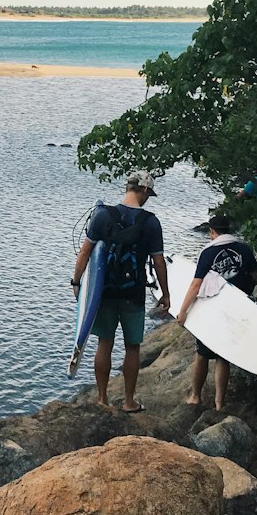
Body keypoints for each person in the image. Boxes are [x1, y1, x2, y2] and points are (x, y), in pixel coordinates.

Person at [72, 170, 169, 413]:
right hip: (133, 292)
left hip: (104, 291)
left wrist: (77, 283)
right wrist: (165, 293)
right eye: (149, 194)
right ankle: (128, 402)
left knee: (104, 342)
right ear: (144, 190)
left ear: (128, 187)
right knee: (132, 346)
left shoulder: (103, 215)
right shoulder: (150, 222)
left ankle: (102, 400)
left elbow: (85, 253)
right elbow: (158, 262)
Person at [176, 214, 257, 413]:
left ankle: (195, 396)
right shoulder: (244, 249)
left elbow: (196, 284)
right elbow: (255, 276)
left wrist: (183, 310)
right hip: (236, 308)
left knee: (203, 354)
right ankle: (219, 403)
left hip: (214, 309)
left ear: (212, 232)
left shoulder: (208, 253)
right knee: (223, 356)